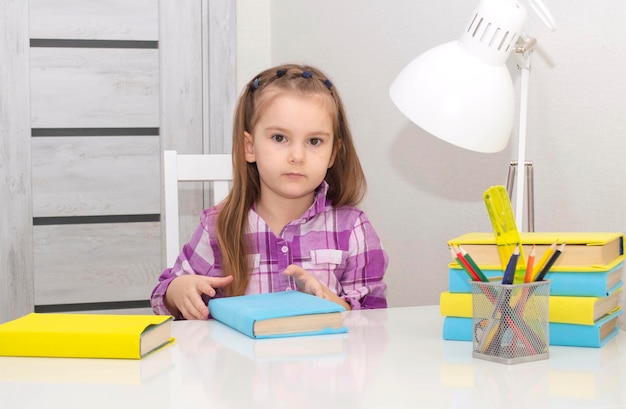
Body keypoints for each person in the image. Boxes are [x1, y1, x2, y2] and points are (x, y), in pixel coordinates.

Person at [151, 63, 388, 320]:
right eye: (279, 138)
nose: (297, 156)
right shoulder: (218, 226)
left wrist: (334, 305)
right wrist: (178, 291)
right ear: (249, 146)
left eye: (314, 141)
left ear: (333, 153)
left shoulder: (352, 228)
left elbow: (374, 318)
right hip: (238, 360)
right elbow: (161, 298)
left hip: (328, 359)